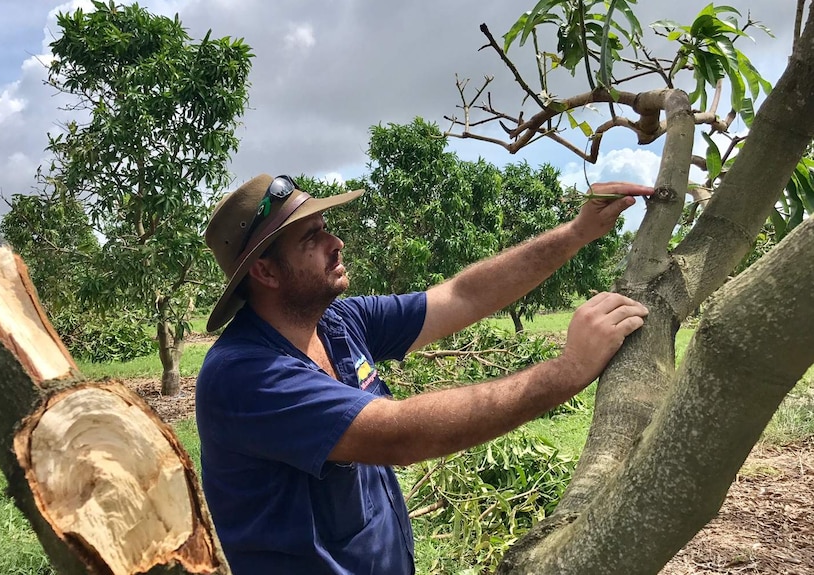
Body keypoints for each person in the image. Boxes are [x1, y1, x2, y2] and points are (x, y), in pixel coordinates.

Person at [196, 173, 650, 574]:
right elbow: (400, 435)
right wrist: (568, 370)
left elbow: (463, 295)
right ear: (264, 271)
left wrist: (577, 233)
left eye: (325, 228)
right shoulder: (244, 374)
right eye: (311, 238)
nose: (336, 243)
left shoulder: (338, 322)